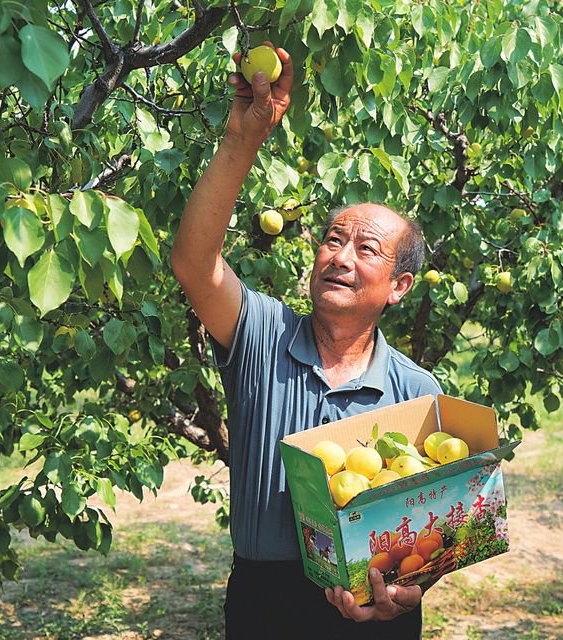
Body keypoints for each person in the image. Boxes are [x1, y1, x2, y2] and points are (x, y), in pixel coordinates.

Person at [170, 45, 442, 639]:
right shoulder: (262, 334)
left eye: (366, 248)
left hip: (376, 609)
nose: (340, 257)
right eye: (333, 240)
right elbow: (194, 264)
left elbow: (428, 524)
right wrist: (243, 138)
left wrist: (403, 595)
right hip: (266, 607)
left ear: (399, 286)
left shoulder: (418, 390)